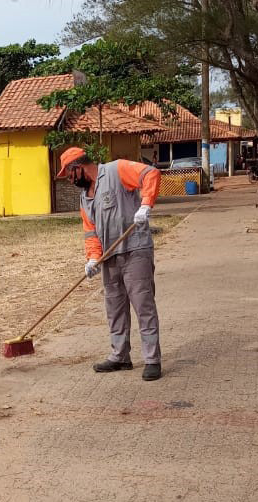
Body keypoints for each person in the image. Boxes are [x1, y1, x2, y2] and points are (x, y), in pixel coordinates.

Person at [56, 147, 163, 381]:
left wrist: (146, 204)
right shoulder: (85, 198)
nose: (69, 180)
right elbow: (90, 232)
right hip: (109, 258)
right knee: (114, 309)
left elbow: (150, 174)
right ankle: (120, 356)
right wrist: (93, 257)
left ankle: (152, 359)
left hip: (135, 250)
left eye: (69, 175)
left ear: (79, 168)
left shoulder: (117, 170)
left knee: (143, 305)